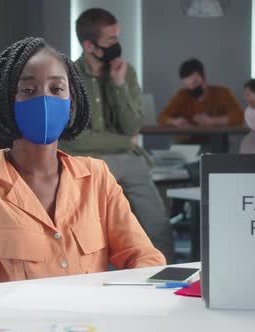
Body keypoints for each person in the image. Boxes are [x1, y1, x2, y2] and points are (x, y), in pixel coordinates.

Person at [0, 37, 166, 287]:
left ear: (71, 103)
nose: (44, 100)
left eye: (57, 89)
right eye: (28, 90)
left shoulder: (97, 176)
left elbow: (145, 258)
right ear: (8, 102)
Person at [58, 8, 174, 262]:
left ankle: (166, 275)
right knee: (91, 231)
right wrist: (124, 142)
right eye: (111, 41)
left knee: (157, 224)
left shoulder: (126, 72)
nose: (117, 45)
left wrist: (118, 86)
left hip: (128, 159)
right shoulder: (68, 76)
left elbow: (133, 127)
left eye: (117, 38)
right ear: (89, 45)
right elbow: (74, 136)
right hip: (87, 161)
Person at [158, 58, 244, 129]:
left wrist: (213, 121)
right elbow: (162, 118)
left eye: (194, 83)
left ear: (204, 78)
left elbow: (239, 116)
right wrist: (175, 122)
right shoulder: (182, 95)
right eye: (187, 85)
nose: (191, 88)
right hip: (188, 141)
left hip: (216, 140)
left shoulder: (221, 93)